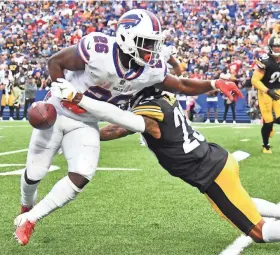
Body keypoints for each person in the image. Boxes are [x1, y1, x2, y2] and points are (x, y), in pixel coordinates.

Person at [14, 9, 242, 246]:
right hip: (58, 109)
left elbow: (181, 84)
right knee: (35, 173)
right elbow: (55, 62)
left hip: (86, 121)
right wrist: (60, 91)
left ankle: (30, 219)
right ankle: (25, 204)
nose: (150, 50)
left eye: (153, 44)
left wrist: (214, 83)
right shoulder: (98, 48)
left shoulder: (150, 68)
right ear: (125, 37)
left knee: (82, 175)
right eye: (145, 43)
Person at [71, 86, 280, 245]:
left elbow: (119, 129)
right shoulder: (164, 96)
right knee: (240, 202)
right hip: (216, 160)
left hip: (210, 172)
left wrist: (84, 134)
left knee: (259, 233)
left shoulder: (149, 110)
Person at [251, 36, 280, 154]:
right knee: (268, 120)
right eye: (275, 46)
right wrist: (268, 91)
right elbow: (254, 80)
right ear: (270, 47)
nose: (277, 49)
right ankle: (266, 145)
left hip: (278, 90)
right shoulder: (265, 60)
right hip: (265, 91)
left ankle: (272, 125)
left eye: (279, 46)